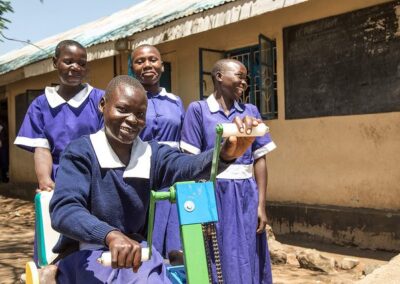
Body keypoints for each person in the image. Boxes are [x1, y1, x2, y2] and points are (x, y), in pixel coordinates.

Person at [49, 75, 261, 283]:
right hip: (85, 253)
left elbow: (189, 166)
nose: (132, 120)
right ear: (103, 105)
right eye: (122, 109)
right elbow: (65, 210)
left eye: (140, 114)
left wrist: (225, 154)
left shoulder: (152, 154)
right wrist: (111, 235)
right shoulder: (81, 152)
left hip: (136, 255)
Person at [180, 59, 277, 283]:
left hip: (246, 193)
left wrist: (261, 204)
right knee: (218, 251)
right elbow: (190, 161)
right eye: (239, 76)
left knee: (248, 248)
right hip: (213, 192)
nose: (244, 81)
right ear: (219, 77)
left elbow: (260, 158)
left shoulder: (250, 111)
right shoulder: (198, 110)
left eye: (246, 78)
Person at [14, 39, 104, 192]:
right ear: (55, 62)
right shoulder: (40, 105)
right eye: (68, 61)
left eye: (81, 64)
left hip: (98, 176)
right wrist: (45, 180)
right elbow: (42, 148)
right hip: (59, 180)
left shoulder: (100, 99)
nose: (75, 67)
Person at [131, 44, 184, 261]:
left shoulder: (175, 101)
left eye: (153, 59)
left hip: (171, 173)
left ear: (162, 65)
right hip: (137, 170)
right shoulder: (127, 99)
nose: (147, 65)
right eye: (140, 61)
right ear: (132, 67)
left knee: (174, 240)